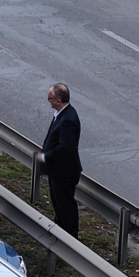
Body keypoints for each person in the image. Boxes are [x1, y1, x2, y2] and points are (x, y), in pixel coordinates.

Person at [36, 83, 82, 238]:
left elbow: (64, 148)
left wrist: (45, 156)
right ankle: (60, 231)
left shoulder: (67, 120)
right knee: (58, 203)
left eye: (50, 99)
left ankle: (70, 239)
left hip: (64, 171)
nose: (48, 102)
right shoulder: (63, 114)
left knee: (65, 206)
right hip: (59, 171)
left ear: (57, 100)